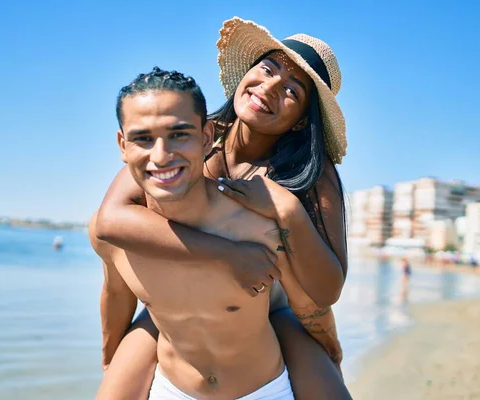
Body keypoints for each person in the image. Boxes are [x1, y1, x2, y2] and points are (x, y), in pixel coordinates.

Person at [95, 17, 350, 399]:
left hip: (274, 309)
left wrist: (287, 208)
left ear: (301, 121)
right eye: (267, 69)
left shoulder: (310, 175)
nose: (269, 88)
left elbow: (328, 286)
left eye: (292, 91)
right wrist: (228, 255)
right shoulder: (194, 137)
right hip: (179, 303)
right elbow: (110, 221)